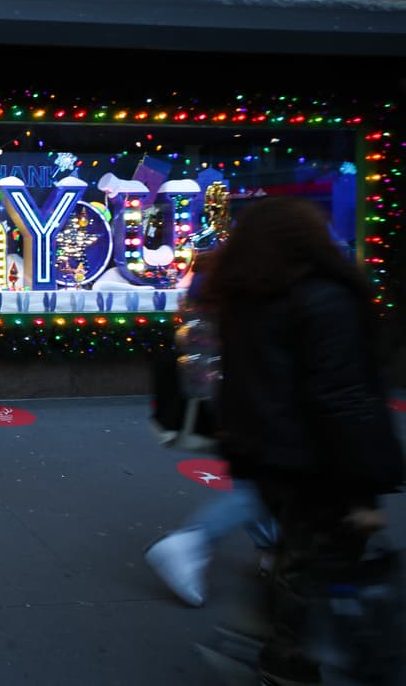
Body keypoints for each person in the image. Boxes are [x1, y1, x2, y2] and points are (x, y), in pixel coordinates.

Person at [205, 197, 404, 685]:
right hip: (319, 461)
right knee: (325, 562)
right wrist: (362, 490)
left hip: (269, 457)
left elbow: (239, 385)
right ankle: (291, 656)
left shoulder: (244, 299)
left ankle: (269, 638)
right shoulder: (324, 298)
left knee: (298, 554)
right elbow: (344, 397)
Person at [145, 248, 279, 607]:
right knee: (265, 481)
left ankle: (270, 550)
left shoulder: (215, 284)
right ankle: (194, 542)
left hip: (230, 396)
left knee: (258, 477)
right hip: (251, 397)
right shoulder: (250, 285)